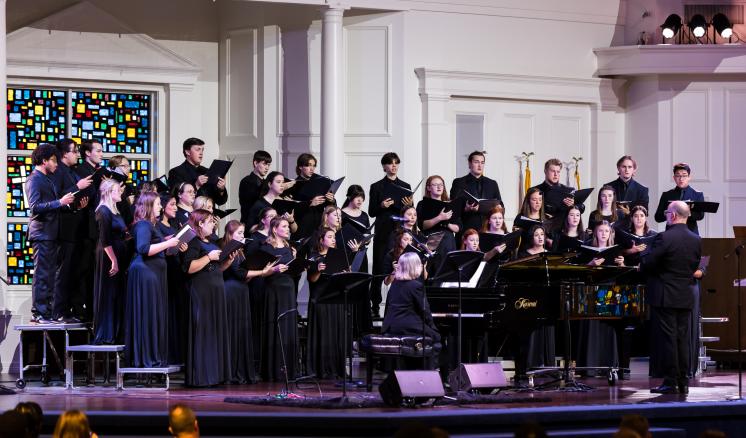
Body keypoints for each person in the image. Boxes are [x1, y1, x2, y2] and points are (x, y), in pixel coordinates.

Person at [644, 201, 702, 394]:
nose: (667, 215)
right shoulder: (696, 239)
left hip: (666, 295)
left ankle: (670, 381)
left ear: (674, 216)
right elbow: (693, 265)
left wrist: (644, 262)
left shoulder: (664, 237)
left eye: (668, 212)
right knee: (682, 339)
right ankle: (683, 381)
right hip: (686, 295)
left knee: (669, 339)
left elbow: (650, 262)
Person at [125, 192, 182, 368]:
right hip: (145, 273)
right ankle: (147, 358)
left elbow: (154, 244)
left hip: (153, 274)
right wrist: (168, 244)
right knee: (148, 315)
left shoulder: (151, 225)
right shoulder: (143, 224)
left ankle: (153, 356)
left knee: (154, 315)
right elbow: (143, 248)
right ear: (149, 206)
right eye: (158, 204)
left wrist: (169, 241)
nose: (160, 207)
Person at [182, 209, 237, 386]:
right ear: (200, 223)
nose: (214, 224)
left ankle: (216, 374)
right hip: (202, 291)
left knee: (215, 331)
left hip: (216, 290)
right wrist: (208, 257)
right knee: (204, 332)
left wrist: (227, 261)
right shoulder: (193, 242)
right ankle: (203, 376)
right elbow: (189, 268)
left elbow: (217, 268)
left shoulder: (212, 241)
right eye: (211, 222)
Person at [221, 220, 278, 384]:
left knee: (241, 331)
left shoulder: (240, 251)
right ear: (230, 234)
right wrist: (262, 271)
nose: (242, 236)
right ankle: (231, 371)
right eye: (239, 233)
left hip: (241, 291)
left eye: (242, 233)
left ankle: (241, 370)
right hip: (231, 293)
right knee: (233, 330)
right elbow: (239, 273)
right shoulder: (229, 250)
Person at [25, 144, 76, 323]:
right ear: (44, 161)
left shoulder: (46, 179)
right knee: (42, 275)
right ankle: (38, 312)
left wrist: (66, 204)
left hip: (50, 234)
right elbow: (35, 207)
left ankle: (46, 312)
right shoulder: (34, 179)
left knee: (49, 275)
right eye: (54, 161)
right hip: (42, 234)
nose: (56, 164)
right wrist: (60, 202)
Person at [369, 152, 413, 318]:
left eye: (396, 163)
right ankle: (374, 305)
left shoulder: (406, 186)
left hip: (399, 233)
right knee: (380, 269)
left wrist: (409, 205)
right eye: (390, 163)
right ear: (384, 167)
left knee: (402, 267)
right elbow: (372, 211)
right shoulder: (377, 186)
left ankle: (402, 304)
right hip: (383, 232)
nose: (393, 166)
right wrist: (381, 205)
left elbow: (409, 212)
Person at [53, 138, 92, 322]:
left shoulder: (70, 171)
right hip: (64, 230)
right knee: (63, 272)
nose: (77, 154)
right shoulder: (58, 171)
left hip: (74, 227)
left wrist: (78, 206)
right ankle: (59, 311)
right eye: (74, 151)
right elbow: (58, 197)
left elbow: (70, 202)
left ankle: (67, 309)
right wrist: (78, 186)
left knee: (71, 271)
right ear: (64, 154)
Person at [382, 252, 441, 369]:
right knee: (437, 338)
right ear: (414, 267)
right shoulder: (416, 285)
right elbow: (425, 311)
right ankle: (428, 372)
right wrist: (433, 327)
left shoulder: (395, 284)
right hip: (407, 327)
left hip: (391, 326)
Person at [259, 217, 297, 381]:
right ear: (274, 229)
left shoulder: (289, 247)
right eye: (284, 226)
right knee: (275, 326)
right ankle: (273, 370)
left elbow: (293, 270)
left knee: (288, 327)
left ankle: (289, 369)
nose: (288, 229)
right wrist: (274, 269)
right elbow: (262, 272)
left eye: (288, 226)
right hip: (274, 289)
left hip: (288, 290)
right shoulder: (266, 248)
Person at [306, 227, 347, 379]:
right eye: (330, 237)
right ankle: (320, 368)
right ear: (321, 240)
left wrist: (344, 274)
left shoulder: (339, 256)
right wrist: (318, 270)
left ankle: (335, 368)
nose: (333, 239)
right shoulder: (314, 257)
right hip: (320, 299)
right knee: (322, 334)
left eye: (334, 237)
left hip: (334, 298)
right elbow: (312, 279)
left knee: (335, 334)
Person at [92, 179, 127, 344]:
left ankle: (115, 332)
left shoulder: (115, 211)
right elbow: (105, 240)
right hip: (108, 257)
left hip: (119, 254)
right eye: (117, 190)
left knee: (116, 294)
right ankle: (105, 333)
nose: (121, 192)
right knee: (108, 293)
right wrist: (114, 260)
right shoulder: (103, 211)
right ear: (108, 192)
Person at [74, 140, 104, 321]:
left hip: (98, 226)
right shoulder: (81, 171)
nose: (101, 154)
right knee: (83, 269)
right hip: (85, 226)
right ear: (87, 153)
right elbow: (82, 197)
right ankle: (80, 307)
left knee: (94, 270)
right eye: (98, 151)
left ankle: (94, 307)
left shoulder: (100, 171)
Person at [450, 150, 502, 235]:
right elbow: (453, 207)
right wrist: (465, 209)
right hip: (466, 229)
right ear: (469, 164)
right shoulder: (459, 182)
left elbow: (500, 206)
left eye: (482, 162)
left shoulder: (492, 183)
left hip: (487, 230)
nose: (480, 165)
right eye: (476, 162)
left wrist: (493, 208)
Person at [168, 137, 228, 205]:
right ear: (187, 152)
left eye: (202, 150)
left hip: (209, 213)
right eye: (198, 150)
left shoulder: (207, 171)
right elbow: (176, 198)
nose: (201, 153)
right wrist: (196, 185)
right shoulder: (176, 172)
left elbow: (220, 202)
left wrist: (221, 189)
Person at [654, 163, 705, 235]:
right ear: (674, 177)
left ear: (689, 177)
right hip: (671, 234)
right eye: (678, 175)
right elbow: (658, 217)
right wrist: (669, 213)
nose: (681, 179)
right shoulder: (667, 195)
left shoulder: (697, 195)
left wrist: (684, 212)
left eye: (684, 175)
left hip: (691, 234)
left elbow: (700, 216)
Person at [417, 175, 460, 255]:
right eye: (435, 185)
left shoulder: (450, 205)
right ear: (428, 188)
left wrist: (447, 224)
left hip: (448, 241)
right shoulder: (423, 204)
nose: (439, 187)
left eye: (441, 184)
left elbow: (458, 228)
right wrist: (439, 218)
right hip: (431, 240)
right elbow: (421, 225)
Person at [239, 150, 272, 225]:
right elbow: (255, 201)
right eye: (264, 164)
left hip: (264, 224)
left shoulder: (266, 183)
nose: (267, 168)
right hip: (250, 224)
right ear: (256, 163)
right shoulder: (246, 181)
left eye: (268, 165)